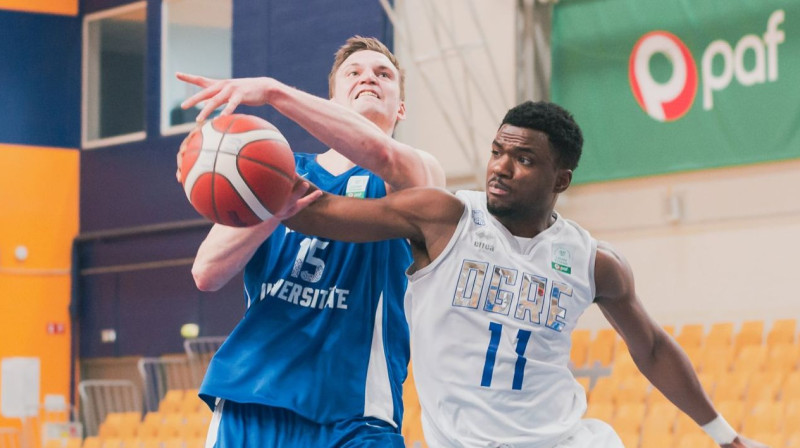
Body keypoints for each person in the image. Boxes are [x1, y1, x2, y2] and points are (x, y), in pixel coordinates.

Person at [283, 101, 769, 448]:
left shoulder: (593, 261)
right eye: (498, 151)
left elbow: (653, 348)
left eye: (524, 159)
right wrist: (247, 169)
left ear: (561, 180)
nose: (501, 167)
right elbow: (318, 212)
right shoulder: (443, 217)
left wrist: (725, 437)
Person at [175, 36, 445, 448]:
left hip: (355, 415)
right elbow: (207, 273)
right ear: (331, 100)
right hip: (253, 398)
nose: (368, 78)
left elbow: (384, 156)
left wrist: (272, 91)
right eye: (353, 73)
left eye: (383, 74)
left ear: (401, 107)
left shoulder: (417, 172)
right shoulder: (275, 170)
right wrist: (270, 209)